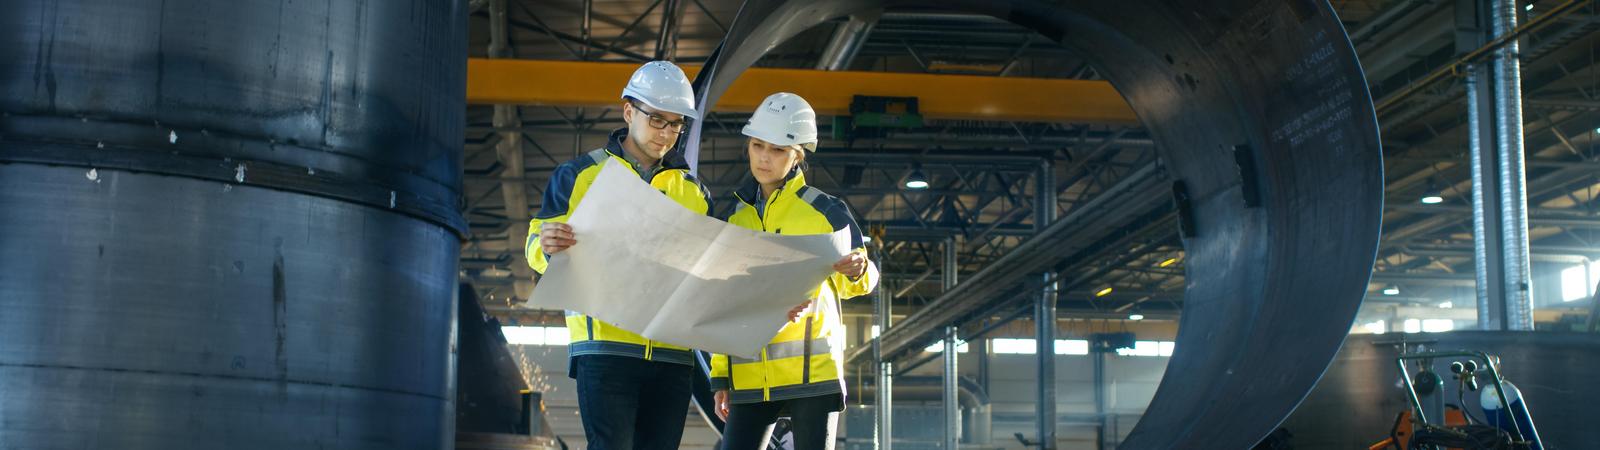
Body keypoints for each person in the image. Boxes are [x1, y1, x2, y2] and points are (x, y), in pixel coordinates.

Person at [525, 60, 711, 450]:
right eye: (657, 120)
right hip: (605, 348)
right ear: (629, 111)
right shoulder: (579, 175)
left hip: (673, 354)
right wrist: (544, 245)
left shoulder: (694, 192)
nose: (666, 134)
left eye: (676, 124)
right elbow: (536, 244)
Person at [708, 92, 880, 450]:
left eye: (777, 150)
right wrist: (721, 375)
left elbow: (862, 281)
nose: (764, 157)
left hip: (811, 375)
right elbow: (724, 301)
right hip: (750, 375)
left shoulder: (825, 211)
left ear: (797, 155)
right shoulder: (735, 220)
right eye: (757, 146)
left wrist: (858, 269)